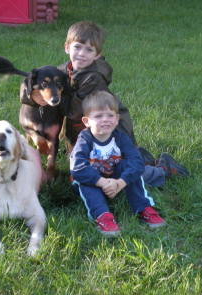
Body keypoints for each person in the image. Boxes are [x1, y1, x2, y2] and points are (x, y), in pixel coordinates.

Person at [59, 21, 189, 186]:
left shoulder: (94, 78)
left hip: (110, 129)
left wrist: (53, 101)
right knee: (99, 165)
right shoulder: (66, 70)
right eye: (77, 47)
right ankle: (141, 157)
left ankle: (164, 169)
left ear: (97, 54)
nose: (82, 54)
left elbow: (74, 112)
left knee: (116, 171)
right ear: (67, 47)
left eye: (89, 49)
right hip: (92, 131)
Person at [70, 91, 169, 236]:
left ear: (117, 119)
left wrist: (121, 182)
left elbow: (137, 162)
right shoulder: (85, 139)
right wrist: (102, 182)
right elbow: (77, 168)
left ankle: (144, 208)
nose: (105, 120)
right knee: (84, 180)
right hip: (93, 180)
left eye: (110, 115)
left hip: (115, 179)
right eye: (98, 116)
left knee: (129, 167)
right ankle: (103, 216)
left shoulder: (120, 137)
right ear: (86, 121)